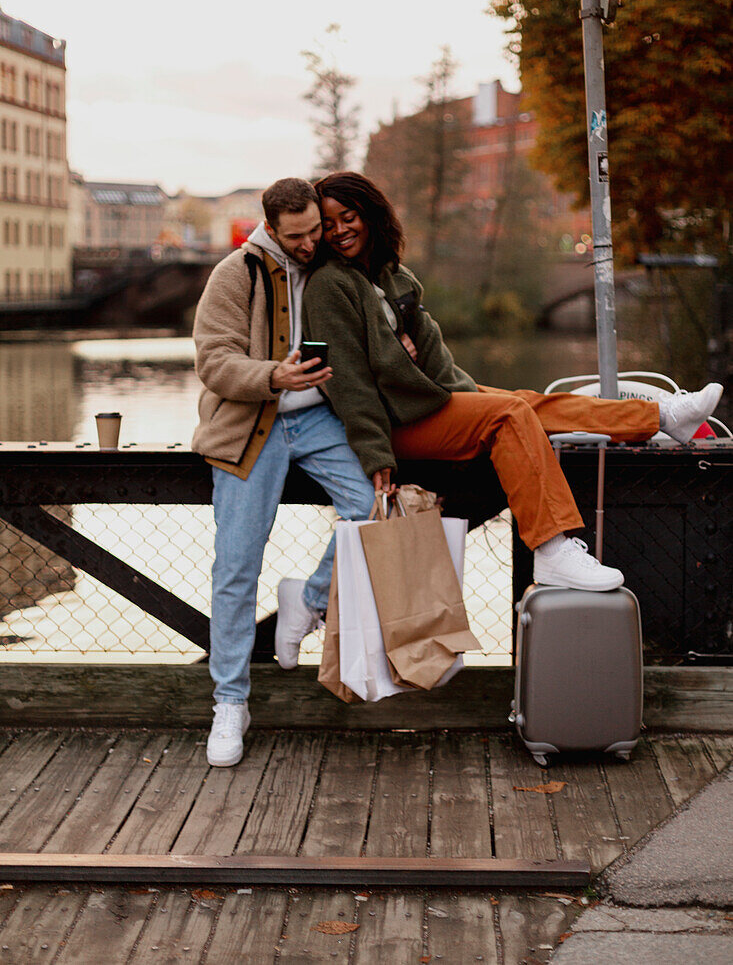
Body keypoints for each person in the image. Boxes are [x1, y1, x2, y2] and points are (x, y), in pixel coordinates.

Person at [302, 171, 724, 592]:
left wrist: (462, 391)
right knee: (508, 414)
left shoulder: (393, 275)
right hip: (388, 424)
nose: (339, 230)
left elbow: (431, 353)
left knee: (528, 403)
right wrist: (376, 455)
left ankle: (663, 415)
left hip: (421, 399)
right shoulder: (329, 285)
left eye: (349, 217)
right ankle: (551, 547)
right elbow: (349, 381)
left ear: (371, 215)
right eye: (329, 223)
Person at [192, 177, 374, 767]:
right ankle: (229, 702)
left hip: (321, 421)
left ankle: (309, 597)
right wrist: (274, 376)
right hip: (254, 424)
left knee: (373, 506)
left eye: (315, 230)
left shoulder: (334, 262)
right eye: (296, 235)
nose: (309, 242)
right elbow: (214, 362)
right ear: (270, 225)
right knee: (237, 564)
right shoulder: (235, 272)